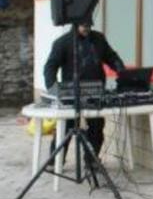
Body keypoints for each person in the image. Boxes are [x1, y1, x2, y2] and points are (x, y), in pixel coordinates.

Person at [42, 20, 125, 164]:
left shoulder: (99, 39)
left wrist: (122, 72)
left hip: (96, 92)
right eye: (83, 26)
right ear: (75, 25)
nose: (86, 29)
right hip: (70, 94)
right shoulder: (63, 42)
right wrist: (54, 91)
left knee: (97, 126)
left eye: (88, 26)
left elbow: (111, 57)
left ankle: (91, 160)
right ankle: (55, 160)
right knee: (66, 127)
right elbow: (50, 67)